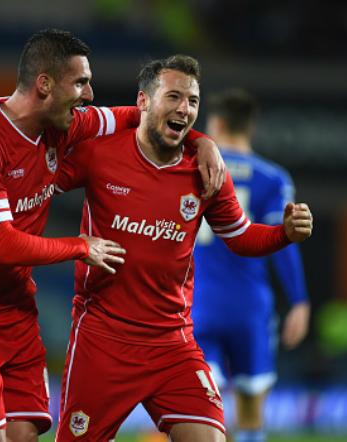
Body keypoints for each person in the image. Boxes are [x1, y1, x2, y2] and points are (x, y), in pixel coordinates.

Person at [0, 29, 225, 442]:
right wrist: (81, 246)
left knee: (24, 434)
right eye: (80, 82)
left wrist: (204, 143)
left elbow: (142, 115)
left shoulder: (64, 128)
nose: (89, 93)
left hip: (17, 308)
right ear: (45, 84)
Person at [52, 55, 313, 441]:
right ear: (143, 101)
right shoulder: (101, 154)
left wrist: (283, 234)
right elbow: (39, 183)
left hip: (171, 342)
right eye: (174, 96)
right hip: (103, 341)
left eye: (192, 101)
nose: (185, 108)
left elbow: (240, 237)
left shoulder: (206, 170)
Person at [191, 89, 310, 442]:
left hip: (198, 304)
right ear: (250, 126)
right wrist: (299, 301)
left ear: (218, 123)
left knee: (199, 410)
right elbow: (285, 242)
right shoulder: (272, 178)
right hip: (250, 307)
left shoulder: (193, 168)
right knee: (251, 413)